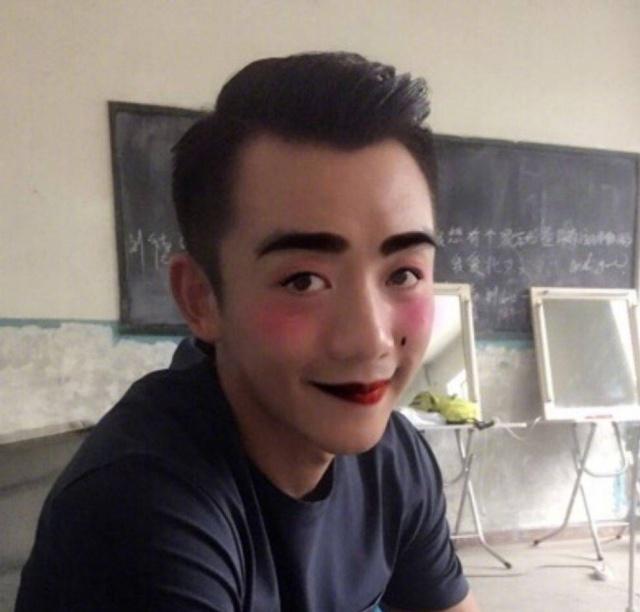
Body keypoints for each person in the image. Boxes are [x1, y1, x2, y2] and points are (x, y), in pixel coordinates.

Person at [16, 52, 479, 611]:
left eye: (403, 274)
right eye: (304, 281)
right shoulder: (137, 510)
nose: (370, 340)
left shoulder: (394, 459)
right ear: (201, 298)